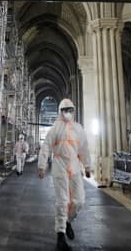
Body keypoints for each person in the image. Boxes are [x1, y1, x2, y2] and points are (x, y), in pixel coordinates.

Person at [38, 98, 91, 251]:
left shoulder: (78, 129)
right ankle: (60, 236)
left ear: (73, 111)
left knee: (79, 200)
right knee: (63, 201)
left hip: (74, 166)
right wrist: (42, 166)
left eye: (70, 110)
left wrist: (87, 166)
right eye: (65, 110)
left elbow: (84, 148)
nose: (67, 113)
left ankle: (68, 221)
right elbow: (46, 146)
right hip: (59, 166)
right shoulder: (55, 128)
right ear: (60, 112)